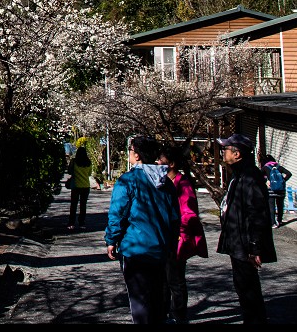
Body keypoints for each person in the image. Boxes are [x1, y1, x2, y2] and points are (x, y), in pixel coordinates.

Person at [104, 136, 179, 324]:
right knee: (157, 298)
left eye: (130, 151)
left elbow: (118, 213)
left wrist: (112, 240)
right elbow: (174, 217)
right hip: (160, 247)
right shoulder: (166, 182)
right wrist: (171, 243)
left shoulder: (128, 181)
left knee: (140, 300)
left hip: (136, 248)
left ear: (136, 155)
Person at [216, 133, 277, 324]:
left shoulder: (249, 176)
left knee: (248, 286)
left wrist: (254, 246)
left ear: (237, 154)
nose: (223, 152)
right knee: (242, 285)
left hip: (244, 242)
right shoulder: (239, 174)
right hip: (238, 240)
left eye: (226, 149)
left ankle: (255, 320)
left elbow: (257, 212)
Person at [157, 145, 208, 324]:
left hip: (176, 238)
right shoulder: (162, 181)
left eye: (160, 159)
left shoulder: (183, 183)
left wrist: (178, 230)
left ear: (171, 163)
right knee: (162, 280)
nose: (157, 162)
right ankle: (162, 314)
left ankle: (179, 316)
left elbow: (189, 212)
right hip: (162, 237)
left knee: (175, 280)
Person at [67, 146, 100, 231]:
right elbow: (89, 174)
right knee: (83, 205)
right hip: (85, 185)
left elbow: (69, 171)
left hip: (76, 185)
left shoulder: (74, 161)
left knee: (73, 205)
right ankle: (81, 222)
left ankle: (71, 223)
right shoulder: (88, 162)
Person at [261, 154, 292, 228]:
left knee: (271, 206)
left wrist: (266, 181)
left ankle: (273, 223)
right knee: (280, 206)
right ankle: (280, 220)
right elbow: (289, 174)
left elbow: (258, 175)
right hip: (281, 190)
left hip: (271, 190)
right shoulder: (279, 167)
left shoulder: (265, 167)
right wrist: (283, 181)